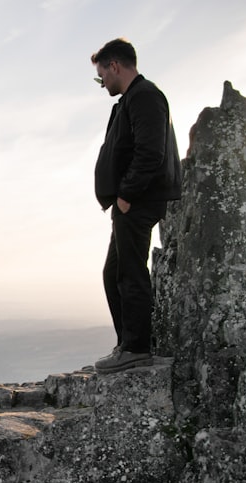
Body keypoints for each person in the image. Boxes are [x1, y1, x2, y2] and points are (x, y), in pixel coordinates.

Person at [91, 38, 182, 374]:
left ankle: (137, 348)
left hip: (139, 200)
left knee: (130, 271)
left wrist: (127, 194)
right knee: (115, 271)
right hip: (131, 200)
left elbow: (150, 151)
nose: (102, 84)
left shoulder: (145, 96)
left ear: (115, 66)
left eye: (102, 76)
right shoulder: (132, 98)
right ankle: (128, 344)